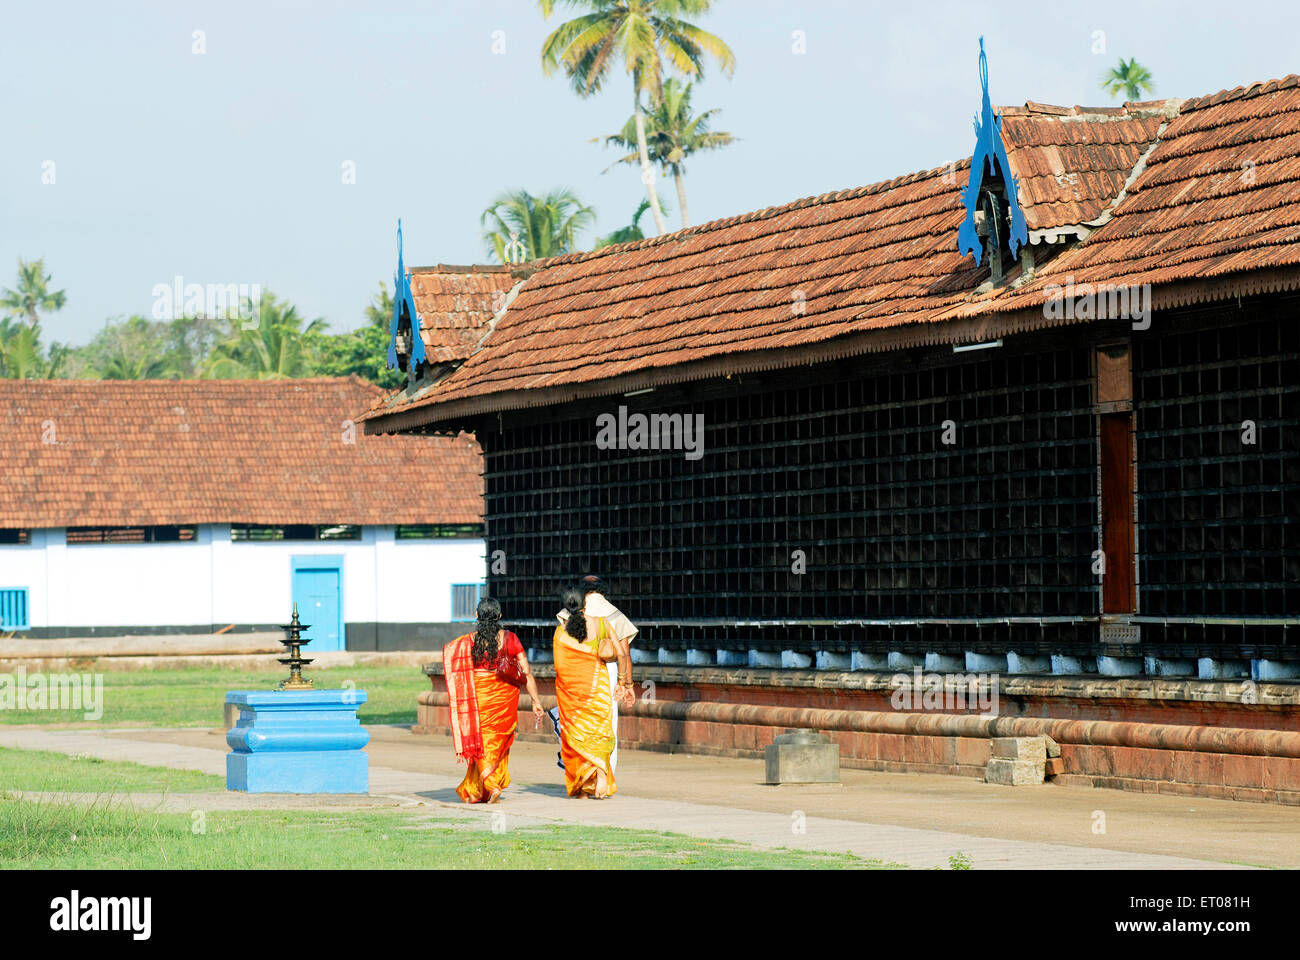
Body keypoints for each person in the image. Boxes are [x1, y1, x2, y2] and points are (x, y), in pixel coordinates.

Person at [443, 596, 544, 804]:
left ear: (477, 615)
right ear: (499, 616)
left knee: (482, 742)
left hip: (479, 699)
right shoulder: (510, 639)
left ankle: (491, 785)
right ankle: (479, 789)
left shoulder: (467, 643)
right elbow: (527, 673)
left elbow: (456, 664)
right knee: (493, 743)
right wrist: (536, 701)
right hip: (505, 700)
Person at [552, 585, 634, 798]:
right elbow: (621, 655)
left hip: (572, 696)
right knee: (599, 734)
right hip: (598, 691)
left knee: (577, 739)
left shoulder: (560, 632)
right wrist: (623, 683)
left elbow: (559, 667)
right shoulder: (601, 623)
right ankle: (601, 772)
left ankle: (583, 789)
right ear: (585, 603)